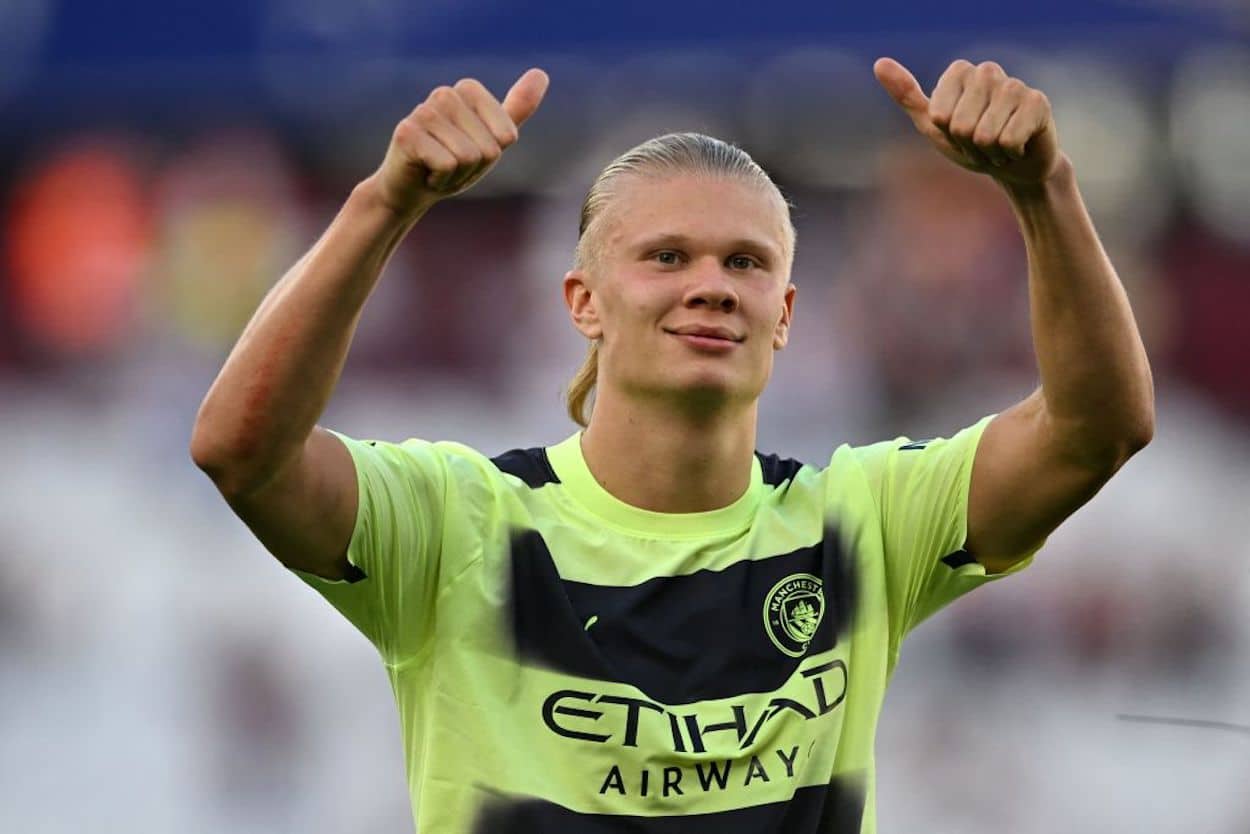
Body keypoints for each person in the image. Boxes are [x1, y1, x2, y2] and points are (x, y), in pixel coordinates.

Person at [190, 57, 1154, 833]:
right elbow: (244, 453)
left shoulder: (864, 524)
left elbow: (1095, 430)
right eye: (665, 257)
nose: (710, 285)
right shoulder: (462, 524)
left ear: (783, 315)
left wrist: (1043, 189)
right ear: (582, 303)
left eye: (745, 263)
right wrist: (386, 202)